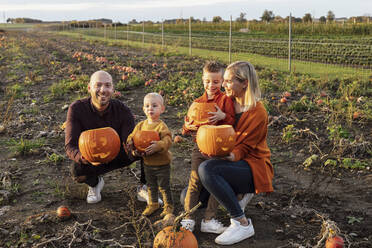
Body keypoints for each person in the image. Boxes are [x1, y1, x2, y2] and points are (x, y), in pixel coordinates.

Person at [198, 61, 274, 245]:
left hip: (252, 166)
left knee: (208, 170)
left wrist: (227, 156)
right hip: (230, 161)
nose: (223, 85)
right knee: (191, 196)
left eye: (228, 81)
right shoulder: (226, 102)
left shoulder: (258, 112)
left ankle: (241, 222)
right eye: (223, 81)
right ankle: (235, 194)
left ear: (245, 83)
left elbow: (244, 148)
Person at [180, 61, 235, 234]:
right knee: (194, 181)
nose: (211, 85)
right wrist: (188, 127)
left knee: (214, 184)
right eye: (208, 81)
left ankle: (208, 219)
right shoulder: (197, 102)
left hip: (218, 150)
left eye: (216, 82)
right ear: (203, 80)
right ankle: (188, 218)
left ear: (222, 82)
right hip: (200, 148)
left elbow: (232, 123)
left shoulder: (225, 100)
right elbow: (187, 127)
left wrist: (223, 115)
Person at [65, 70, 135, 204]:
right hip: (91, 158)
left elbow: (130, 139)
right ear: (89, 88)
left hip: (118, 154)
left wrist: (133, 147)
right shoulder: (77, 109)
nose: (103, 90)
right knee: (77, 171)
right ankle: (95, 183)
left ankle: (145, 186)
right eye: (98, 85)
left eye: (107, 85)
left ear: (113, 89)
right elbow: (70, 145)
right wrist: (82, 157)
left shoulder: (123, 110)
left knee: (146, 143)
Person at [126, 93, 173, 217]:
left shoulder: (161, 126)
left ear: (162, 109)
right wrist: (130, 142)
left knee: (164, 186)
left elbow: (168, 140)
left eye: (154, 106)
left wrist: (159, 145)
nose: (150, 108)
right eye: (147, 106)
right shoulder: (141, 125)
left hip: (162, 163)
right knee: (151, 185)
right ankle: (153, 204)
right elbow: (132, 136)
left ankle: (168, 206)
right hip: (147, 163)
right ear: (143, 109)